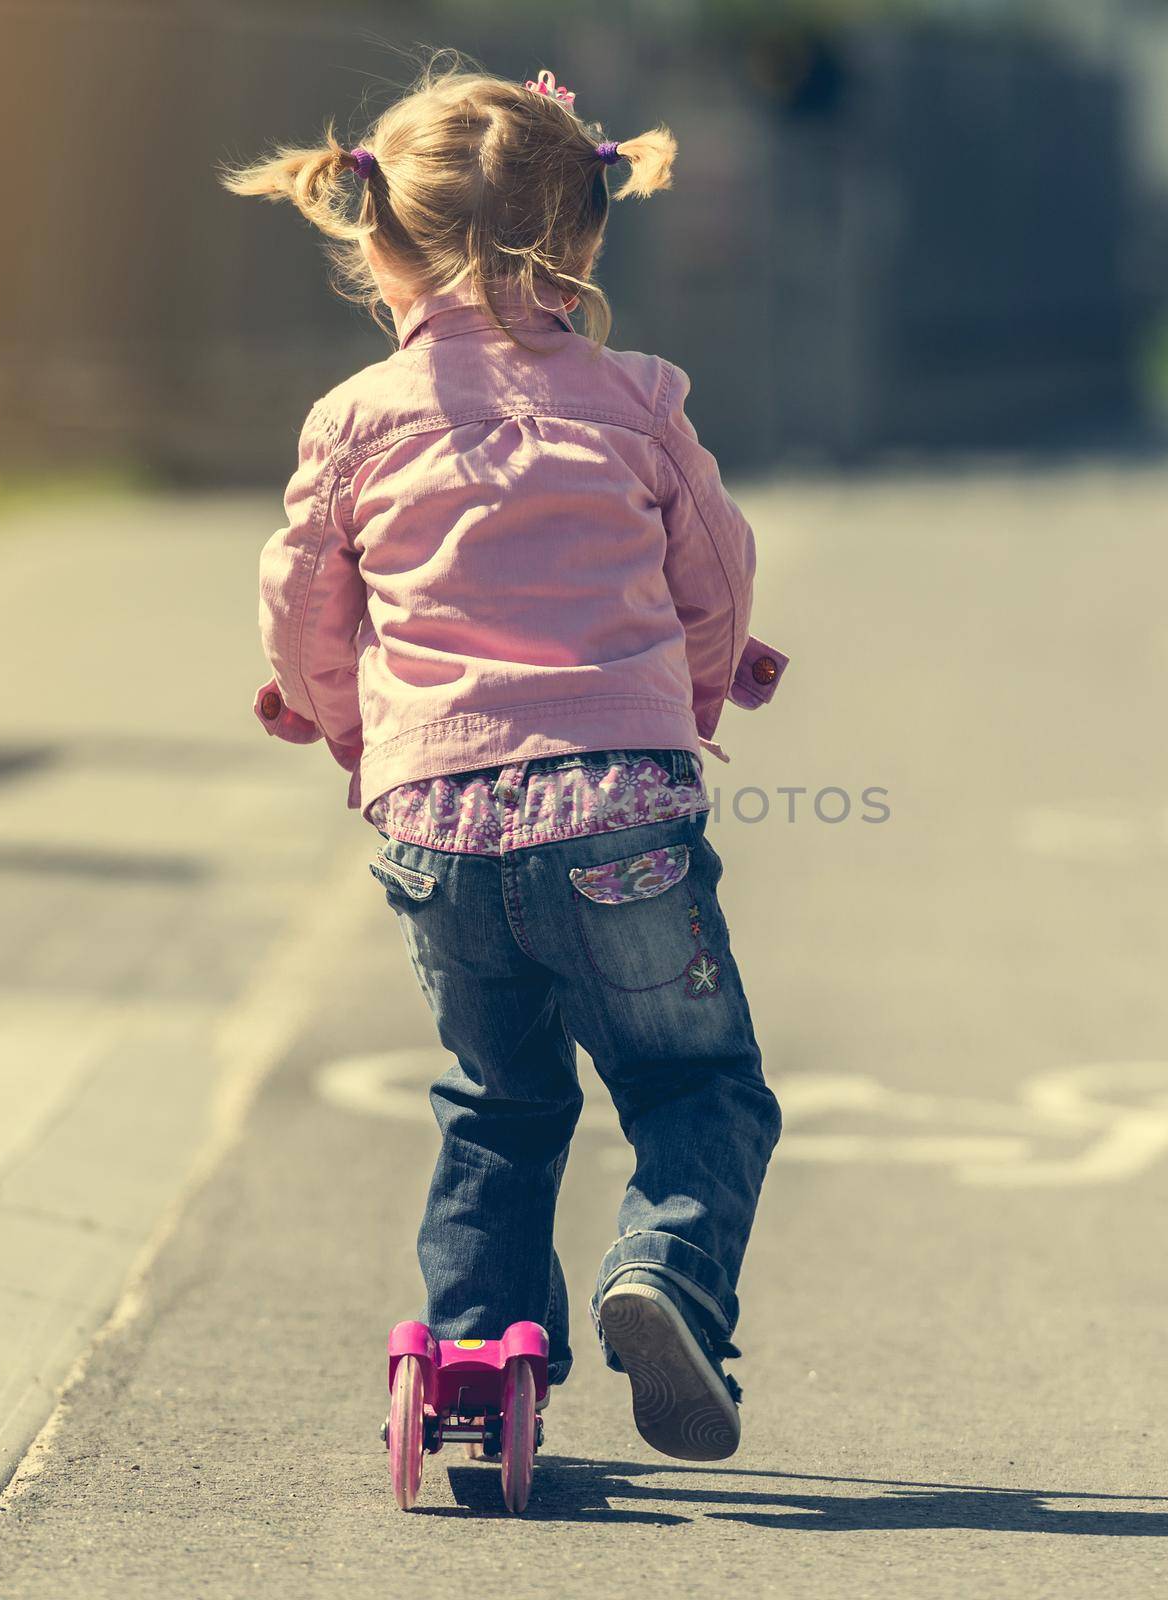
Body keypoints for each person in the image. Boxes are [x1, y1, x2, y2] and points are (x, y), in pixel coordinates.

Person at [226, 54, 787, 1462]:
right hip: (620, 817)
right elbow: (716, 574)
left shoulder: (351, 419)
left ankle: (475, 1355)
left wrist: (346, 722)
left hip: (440, 829)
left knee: (500, 1098)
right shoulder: (642, 399)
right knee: (694, 1084)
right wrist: (699, 688)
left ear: (377, 234)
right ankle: (666, 1271)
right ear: (586, 237)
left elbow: (303, 611)